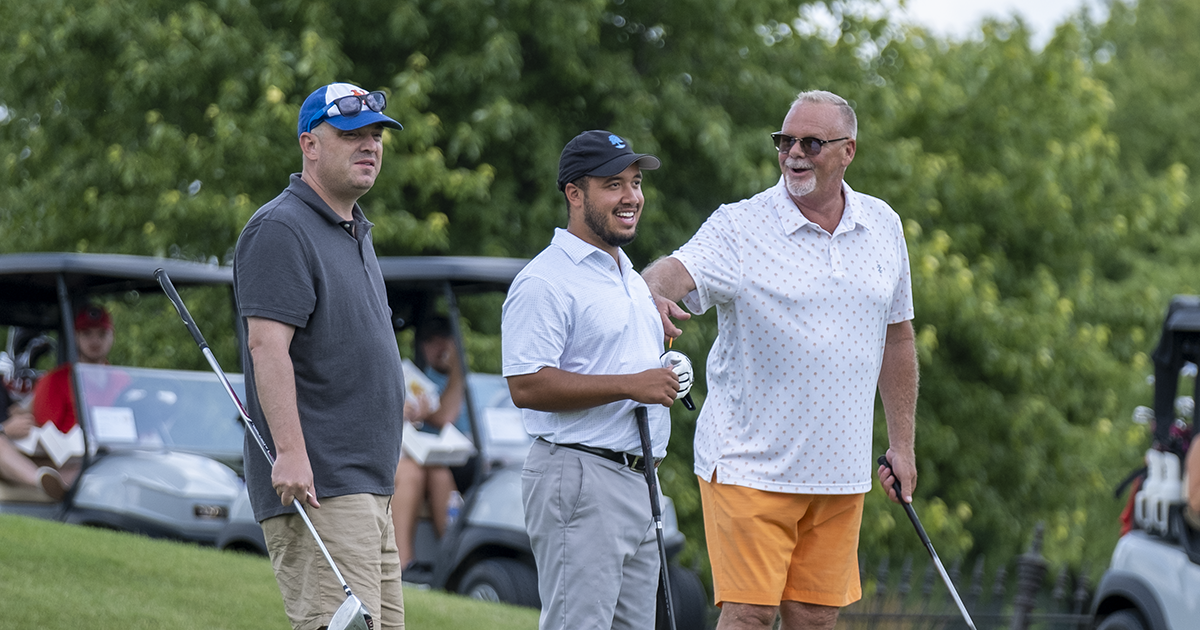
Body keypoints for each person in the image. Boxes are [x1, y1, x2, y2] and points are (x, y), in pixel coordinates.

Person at [642, 90, 919, 630]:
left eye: (811, 142)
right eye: (784, 141)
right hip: (749, 463)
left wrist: (902, 445)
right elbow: (675, 270)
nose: (794, 152)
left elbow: (899, 339)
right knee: (749, 615)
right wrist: (651, 292)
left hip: (839, 472)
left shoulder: (884, 225)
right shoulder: (740, 226)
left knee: (814, 620)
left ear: (848, 152)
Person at [233, 82, 407, 630]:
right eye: (352, 134)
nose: (370, 146)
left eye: (376, 135)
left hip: (370, 491)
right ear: (310, 144)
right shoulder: (281, 228)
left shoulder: (353, 229)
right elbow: (268, 348)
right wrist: (289, 452)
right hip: (320, 488)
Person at [501, 130, 687, 630]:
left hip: (637, 479)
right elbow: (527, 385)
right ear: (575, 194)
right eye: (613, 185)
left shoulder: (625, 274)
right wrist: (631, 384)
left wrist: (650, 317)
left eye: (635, 182)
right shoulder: (545, 280)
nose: (632, 197)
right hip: (579, 476)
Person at [0, 305, 118, 499]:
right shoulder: (56, 380)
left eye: (102, 333)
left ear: (112, 336)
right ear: (76, 337)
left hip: (103, 454)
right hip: (60, 456)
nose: (95, 340)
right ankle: (46, 483)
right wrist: (5, 429)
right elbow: (47, 431)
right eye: (87, 333)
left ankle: (58, 484)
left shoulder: (125, 381)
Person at [392, 316, 467, 569]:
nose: (438, 348)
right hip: (429, 458)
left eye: (443, 340)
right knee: (433, 472)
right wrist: (459, 367)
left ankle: (453, 561)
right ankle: (409, 564)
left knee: (438, 473)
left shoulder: (479, 382)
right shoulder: (418, 381)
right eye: (430, 342)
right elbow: (445, 415)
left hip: (467, 458)